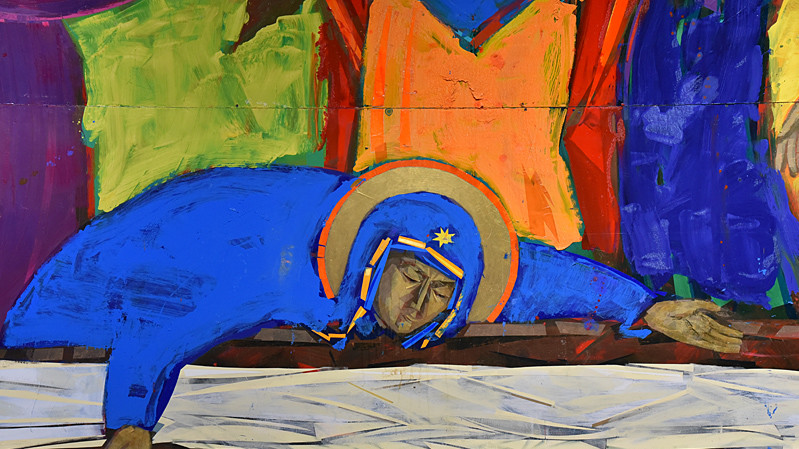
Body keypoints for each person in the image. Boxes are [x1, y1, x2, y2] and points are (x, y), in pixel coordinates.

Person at [1, 160, 742, 449]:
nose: (419, 303)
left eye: (441, 293)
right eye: (411, 277)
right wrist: (131, 426)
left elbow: (531, 274)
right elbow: (164, 315)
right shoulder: (277, 260)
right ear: (374, 257)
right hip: (61, 334)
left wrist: (644, 308)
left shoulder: (372, 252)